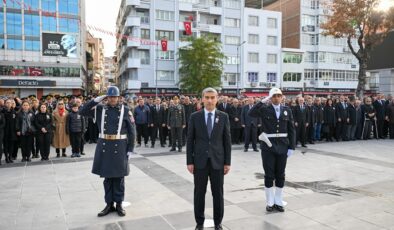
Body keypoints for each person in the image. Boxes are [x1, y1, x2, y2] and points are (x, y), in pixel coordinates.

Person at [80, 86, 135, 217]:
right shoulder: (100, 109)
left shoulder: (126, 110)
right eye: (110, 97)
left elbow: (132, 131)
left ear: (119, 98)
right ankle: (109, 204)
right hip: (104, 146)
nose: (112, 99)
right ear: (106, 98)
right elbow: (82, 111)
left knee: (119, 178)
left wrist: (130, 149)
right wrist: (95, 100)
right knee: (107, 178)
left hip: (120, 146)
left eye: (114, 97)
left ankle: (119, 204)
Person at [187, 87, 231, 230]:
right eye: (207, 97)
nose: (210, 100)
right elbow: (190, 140)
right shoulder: (195, 117)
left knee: (218, 193)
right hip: (199, 162)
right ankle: (199, 223)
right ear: (202, 99)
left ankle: (218, 222)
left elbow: (227, 141)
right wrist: (189, 161)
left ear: (217, 99)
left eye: (213, 97)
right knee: (199, 193)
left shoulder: (223, 117)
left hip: (218, 161)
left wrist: (227, 162)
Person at [248, 88, 296, 213]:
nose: (276, 98)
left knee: (281, 174)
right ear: (270, 97)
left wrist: (292, 147)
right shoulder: (264, 109)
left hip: (283, 145)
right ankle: (270, 201)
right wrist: (261, 102)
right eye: (274, 96)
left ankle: (278, 200)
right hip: (268, 146)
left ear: (282, 97)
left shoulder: (287, 110)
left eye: (279, 96)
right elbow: (251, 113)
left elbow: (291, 129)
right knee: (269, 174)